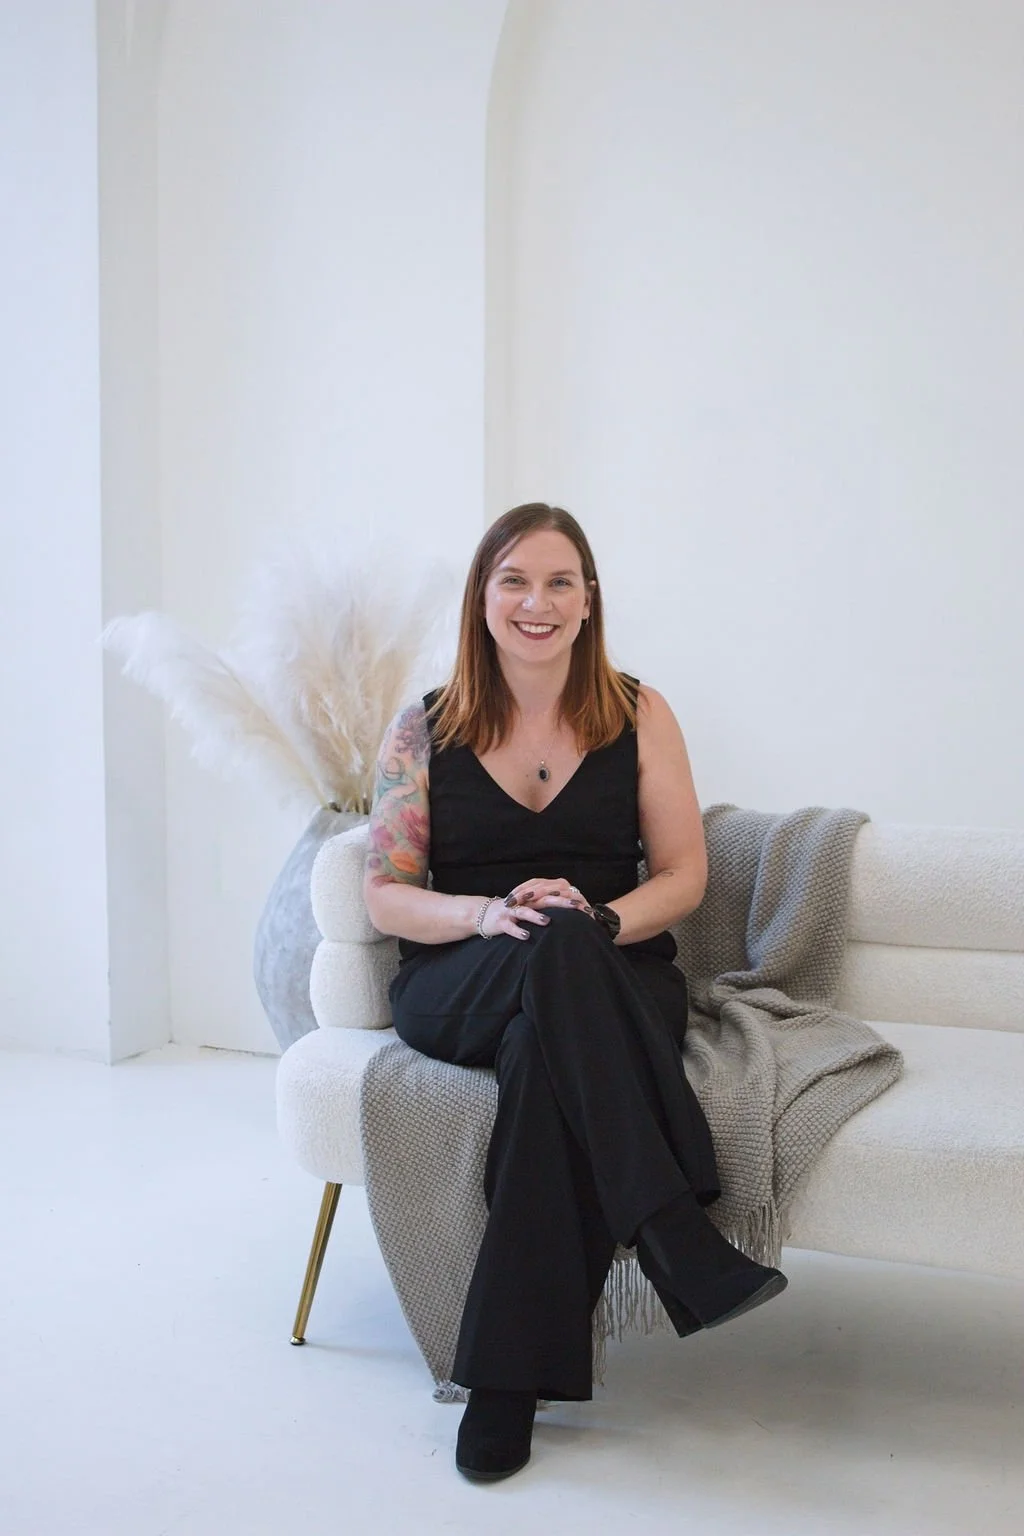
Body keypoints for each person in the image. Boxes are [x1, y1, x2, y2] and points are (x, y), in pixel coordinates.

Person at [363, 503, 787, 1483]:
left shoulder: (639, 713)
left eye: (559, 581)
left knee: (543, 1046)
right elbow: (384, 893)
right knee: (541, 941)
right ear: (482, 598)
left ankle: (505, 1384)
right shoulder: (421, 728)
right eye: (514, 580)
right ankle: (673, 1229)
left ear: (589, 600)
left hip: (615, 970)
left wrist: (595, 923)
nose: (536, 602)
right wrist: (481, 916)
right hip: (461, 973)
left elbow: (682, 875)